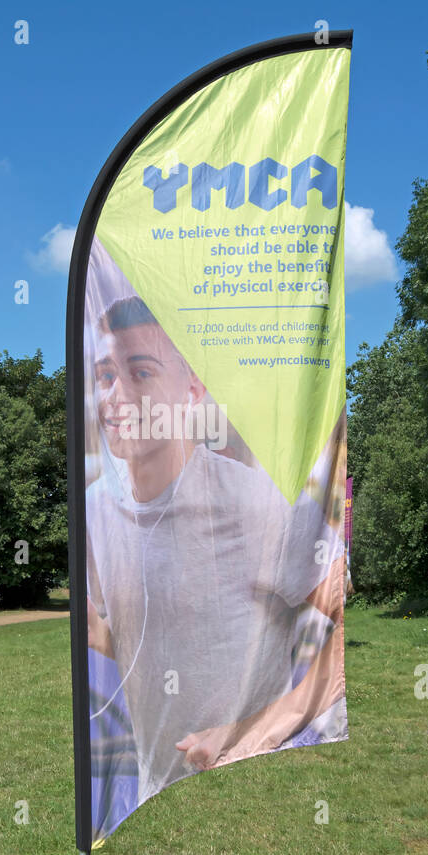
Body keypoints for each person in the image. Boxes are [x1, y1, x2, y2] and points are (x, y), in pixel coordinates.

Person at [85, 295, 346, 806]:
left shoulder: (255, 504)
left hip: (254, 797)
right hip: (156, 799)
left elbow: (343, 623)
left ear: (192, 390)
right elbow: (109, 628)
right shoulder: (96, 512)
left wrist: (255, 730)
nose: (117, 397)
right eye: (105, 375)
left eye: (141, 373)